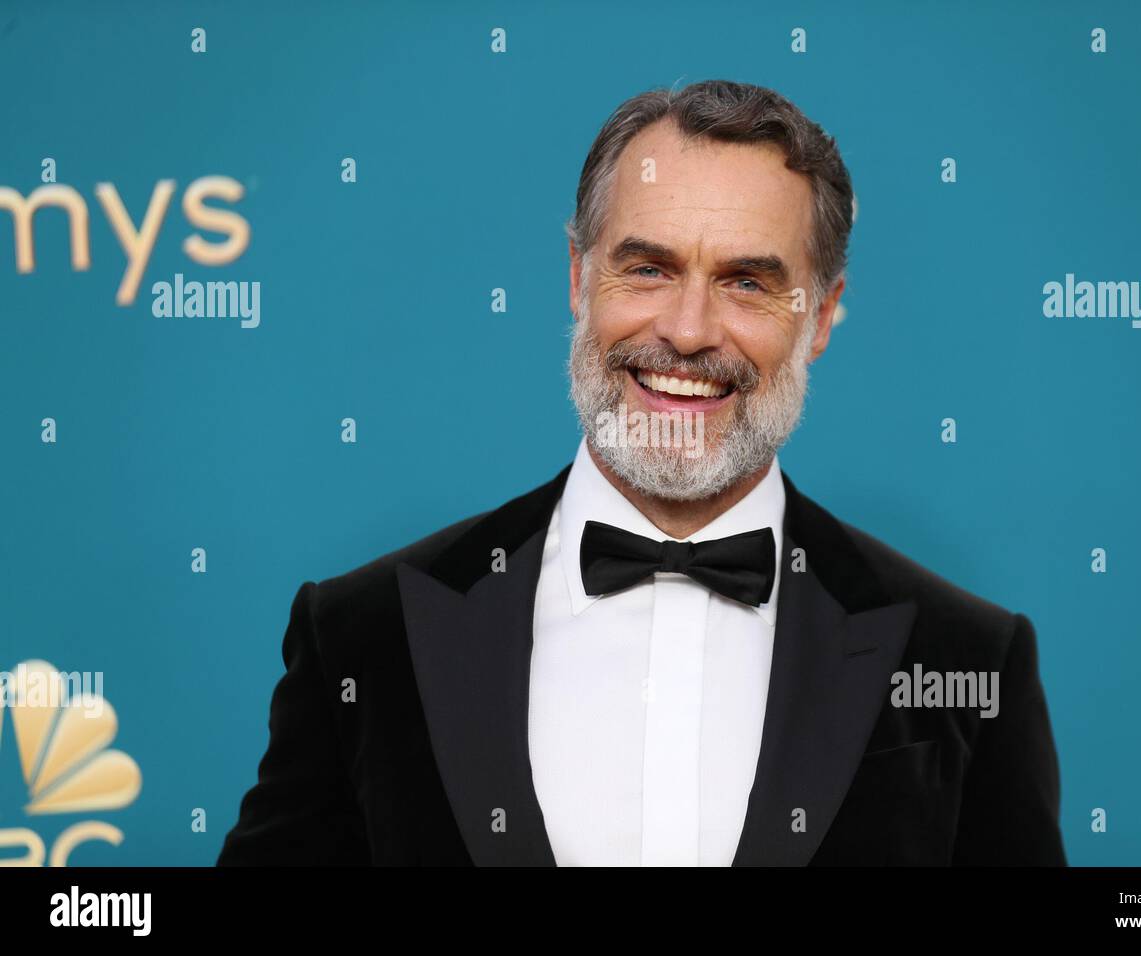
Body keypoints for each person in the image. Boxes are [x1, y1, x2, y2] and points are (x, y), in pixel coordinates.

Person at [217, 79, 1066, 866]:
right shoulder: (364, 636)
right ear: (581, 279)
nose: (690, 330)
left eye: (747, 282)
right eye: (649, 269)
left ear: (823, 317)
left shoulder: (968, 660)